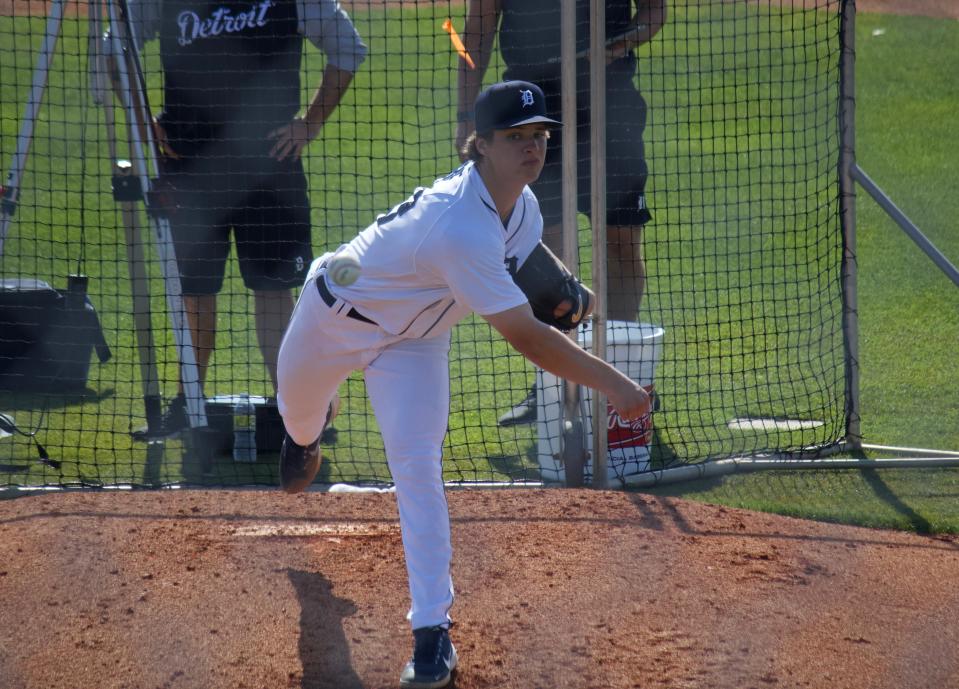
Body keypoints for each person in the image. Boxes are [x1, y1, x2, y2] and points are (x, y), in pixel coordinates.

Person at [276, 80, 652, 689]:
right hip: (332, 320)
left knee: (418, 468)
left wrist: (567, 292)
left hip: (414, 344)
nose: (532, 148)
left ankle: (432, 637)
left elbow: (528, 265)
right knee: (297, 445)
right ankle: (308, 430)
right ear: (480, 146)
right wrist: (617, 386)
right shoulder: (458, 226)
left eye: (540, 136)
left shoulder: (522, 206)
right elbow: (527, 338)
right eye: (516, 138)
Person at [121, 0, 367, 438]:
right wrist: (142, 125)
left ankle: (295, 410)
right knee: (195, 293)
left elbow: (349, 48)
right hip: (191, 170)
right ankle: (188, 407)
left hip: (265, 168)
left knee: (272, 291)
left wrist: (309, 124)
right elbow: (115, 50)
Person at [455, 0, 667, 426]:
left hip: (611, 108)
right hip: (530, 114)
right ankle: (551, 385)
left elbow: (653, 12)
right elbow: (474, 35)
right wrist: (466, 115)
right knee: (541, 252)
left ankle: (623, 377)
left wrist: (620, 43)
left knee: (621, 241)